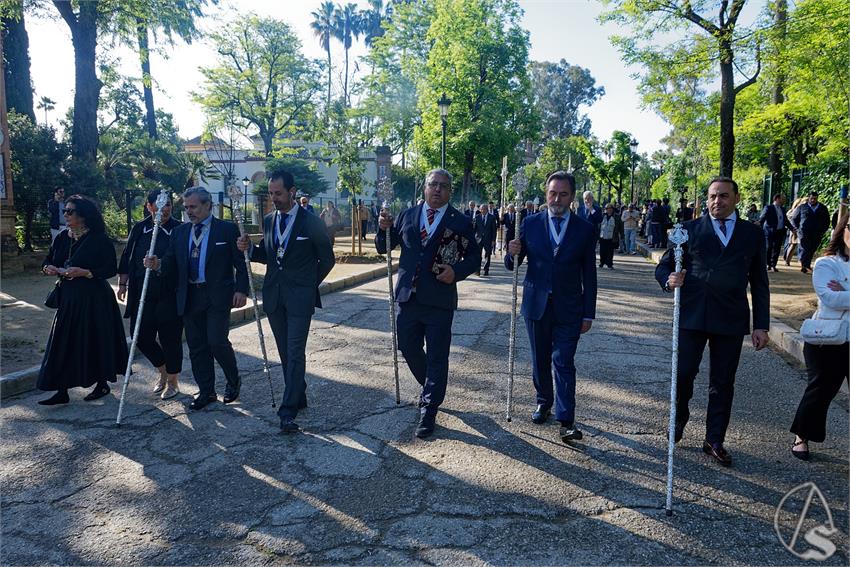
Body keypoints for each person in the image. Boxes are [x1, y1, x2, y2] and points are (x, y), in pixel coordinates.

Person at [656, 177, 770, 466]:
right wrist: (669, 281)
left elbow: (759, 281)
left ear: (736, 198)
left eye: (722, 196)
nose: (716, 201)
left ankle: (714, 439)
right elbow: (665, 266)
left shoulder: (752, 234)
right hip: (693, 314)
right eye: (711, 197)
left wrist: (761, 325)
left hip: (730, 317)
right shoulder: (687, 231)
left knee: (722, 382)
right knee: (683, 373)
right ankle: (678, 419)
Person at [376, 168, 480, 438]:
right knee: (407, 345)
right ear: (424, 188)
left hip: (439, 299)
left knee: (437, 355)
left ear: (450, 191)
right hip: (408, 298)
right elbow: (383, 246)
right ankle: (432, 387)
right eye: (433, 184)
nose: (437, 190)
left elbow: (473, 258)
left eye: (443, 186)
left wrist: (455, 272)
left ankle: (429, 407)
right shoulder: (407, 215)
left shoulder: (460, 221)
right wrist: (382, 229)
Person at [237, 169, 335, 433]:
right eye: (270, 193)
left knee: (294, 351)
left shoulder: (311, 222)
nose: (273, 198)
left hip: (300, 298)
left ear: (292, 192)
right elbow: (270, 255)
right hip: (274, 297)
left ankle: (287, 411)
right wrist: (250, 249)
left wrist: (308, 284)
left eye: (278, 193)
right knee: (284, 352)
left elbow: (327, 259)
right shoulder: (269, 221)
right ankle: (298, 393)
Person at [506, 171, 597, 443]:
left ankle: (566, 420)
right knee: (540, 358)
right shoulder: (529, 223)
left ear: (572, 197)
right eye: (552, 193)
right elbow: (514, 265)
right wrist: (511, 253)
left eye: (563, 194)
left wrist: (588, 312)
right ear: (546, 194)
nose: (557, 199)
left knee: (563, 361)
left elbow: (589, 274)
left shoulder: (584, 229)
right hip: (536, 304)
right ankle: (543, 400)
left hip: (570, 307)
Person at [144, 187, 248, 410]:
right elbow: (170, 261)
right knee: (197, 346)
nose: (189, 211)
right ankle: (207, 391)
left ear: (207, 205)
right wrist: (158, 264)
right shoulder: (181, 233)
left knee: (216, 341)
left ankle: (233, 380)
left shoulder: (226, 230)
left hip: (218, 295)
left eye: (193, 207)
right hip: (190, 295)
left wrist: (241, 290)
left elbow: (241, 263)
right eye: (186, 207)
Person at [37, 195, 128, 405]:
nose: (65, 214)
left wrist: (85, 272)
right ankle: (61, 390)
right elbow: (48, 259)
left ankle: (102, 383)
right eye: (65, 211)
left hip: (94, 298)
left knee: (95, 339)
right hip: (69, 297)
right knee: (62, 341)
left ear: (84, 215)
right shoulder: (62, 237)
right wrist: (47, 268)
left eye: (70, 211)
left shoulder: (99, 239)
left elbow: (109, 269)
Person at [790, 214, 850, 460]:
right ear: (843, 229)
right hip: (829, 339)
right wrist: (842, 295)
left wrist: (846, 291)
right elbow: (830, 298)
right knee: (821, 389)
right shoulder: (826, 263)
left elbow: (841, 298)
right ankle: (801, 436)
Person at [117, 189, 184, 399]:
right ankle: (162, 371)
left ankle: (172, 380)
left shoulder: (179, 230)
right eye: (159, 207)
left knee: (169, 338)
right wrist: (123, 282)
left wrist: (160, 265)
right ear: (149, 207)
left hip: (168, 293)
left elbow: (182, 263)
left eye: (168, 207)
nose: (164, 211)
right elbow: (128, 255)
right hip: (141, 292)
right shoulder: (139, 228)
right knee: (142, 337)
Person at [792, 191, 831, 273]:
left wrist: (823, 230)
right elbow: (794, 218)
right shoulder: (802, 207)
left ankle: (807, 264)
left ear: (817, 199)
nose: (813, 200)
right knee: (805, 248)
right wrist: (797, 228)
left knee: (812, 248)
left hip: (817, 233)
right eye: (811, 198)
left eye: (815, 199)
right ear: (809, 198)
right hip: (804, 232)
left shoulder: (822, 208)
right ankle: (804, 265)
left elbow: (827, 220)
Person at [758, 193, 787, 272]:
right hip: (769, 231)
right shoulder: (769, 207)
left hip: (779, 231)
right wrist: (758, 227)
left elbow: (786, 220)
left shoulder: (783, 209)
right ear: (777, 199)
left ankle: (773, 265)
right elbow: (763, 218)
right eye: (782, 198)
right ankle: (768, 264)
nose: (784, 200)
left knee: (777, 249)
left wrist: (792, 229)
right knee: (769, 247)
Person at [473, 203, 497, 276]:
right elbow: (474, 229)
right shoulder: (477, 217)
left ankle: (486, 270)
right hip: (478, 239)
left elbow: (494, 230)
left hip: (488, 239)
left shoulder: (492, 217)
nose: (482, 210)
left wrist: (493, 240)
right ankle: (477, 270)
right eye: (481, 209)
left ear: (487, 209)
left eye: (484, 209)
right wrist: (473, 239)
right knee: (478, 255)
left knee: (487, 255)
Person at [783, 196, 807, 266]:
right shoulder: (798, 208)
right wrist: (795, 228)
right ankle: (787, 260)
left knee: (797, 245)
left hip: (798, 229)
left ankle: (798, 261)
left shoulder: (802, 208)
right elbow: (792, 218)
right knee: (793, 245)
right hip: (795, 230)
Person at [599, 204, 616, 269]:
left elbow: (619, 227)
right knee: (602, 251)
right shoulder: (602, 216)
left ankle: (609, 264)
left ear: (612, 209)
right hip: (602, 236)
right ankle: (602, 262)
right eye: (606, 208)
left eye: (608, 208)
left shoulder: (615, 216)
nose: (607, 210)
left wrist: (621, 236)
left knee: (610, 251)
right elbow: (599, 226)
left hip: (611, 237)